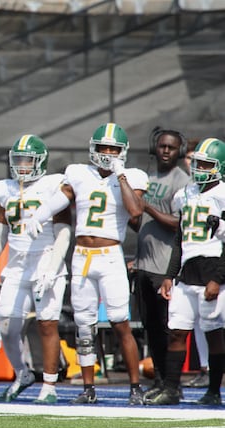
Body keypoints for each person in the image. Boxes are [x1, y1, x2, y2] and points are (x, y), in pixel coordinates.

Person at [24, 122, 148, 405]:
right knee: (83, 326)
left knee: (120, 323)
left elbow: (135, 212)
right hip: (81, 256)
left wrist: (121, 177)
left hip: (110, 256)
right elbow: (61, 198)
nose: (107, 153)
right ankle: (89, 388)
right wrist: (40, 215)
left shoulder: (132, 176)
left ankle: (134, 386)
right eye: (103, 147)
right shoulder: (78, 173)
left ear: (122, 152)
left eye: (113, 149)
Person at [0, 134, 71, 404]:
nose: (22, 165)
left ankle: (49, 385)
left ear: (41, 162)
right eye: (19, 159)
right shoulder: (4, 189)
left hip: (46, 258)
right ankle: (23, 373)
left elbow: (64, 232)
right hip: (17, 264)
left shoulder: (52, 185)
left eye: (28, 160)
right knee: (7, 325)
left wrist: (53, 267)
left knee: (47, 324)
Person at [147, 137, 225, 406]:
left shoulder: (223, 194)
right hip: (186, 270)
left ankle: (214, 391)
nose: (199, 169)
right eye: (197, 163)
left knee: (213, 331)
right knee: (177, 331)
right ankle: (171, 389)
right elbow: (179, 239)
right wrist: (169, 274)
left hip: (212, 266)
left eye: (206, 164)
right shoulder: (185, 194)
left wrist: (218, 277)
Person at [130, 127, 189, 400]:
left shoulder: (182, 180)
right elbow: (138, 221)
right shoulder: (147, 177)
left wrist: (149, 208)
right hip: (143, 263)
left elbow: (180, 224)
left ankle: (172, 386)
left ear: (180, 151)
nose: (166, 151)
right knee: (150, 328)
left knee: (166, 328)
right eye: (162, 146)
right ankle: (161, 380)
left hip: (164, 266)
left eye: (171, 147)